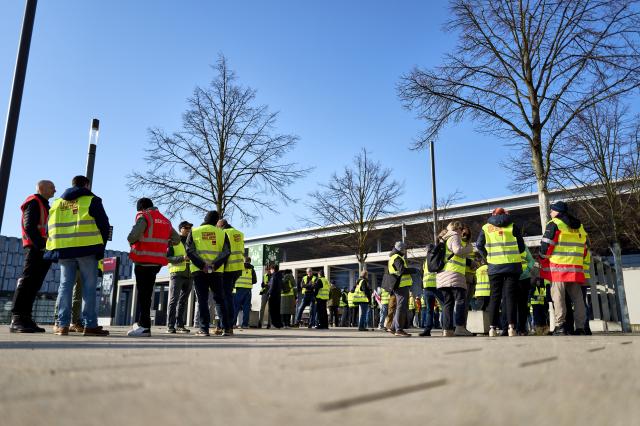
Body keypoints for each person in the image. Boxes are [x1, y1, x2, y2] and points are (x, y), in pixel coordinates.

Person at [46, 175, 110, 336]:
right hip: (87, 248)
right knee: (88, 287)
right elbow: (104, 224)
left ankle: (62, 325)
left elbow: (49, 227)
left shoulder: (57, 203)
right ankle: (90, 325)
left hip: (64, 249)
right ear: (87, 185)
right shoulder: (91, 200)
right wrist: (100, 245)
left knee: (65, 286)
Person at [127, 198, 179, 337]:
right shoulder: (165, 220)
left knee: (143, 295)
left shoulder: (144, 217)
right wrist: (163, 243)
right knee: (147, 294)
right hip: (156, 263)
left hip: (143, 260)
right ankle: (141, 323)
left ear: (142, 208)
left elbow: (132, 237)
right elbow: (176, 239)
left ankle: (144, 327)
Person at [10, 180, 56, 333]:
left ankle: (26, 318)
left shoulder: (44, 205)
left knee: (35, 284)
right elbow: (29, 226)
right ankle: (17, 319)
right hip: (36, 248)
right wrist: (41, 245)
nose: (55, 190)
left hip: (43, 250)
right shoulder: (34, 202)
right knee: (27, 281)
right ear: (42, 188)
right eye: (51, 187)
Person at [539, 201, 588, 336]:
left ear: (557, 212)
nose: (550, 213)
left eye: (552, 210)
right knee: (578, 299)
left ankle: (560, 326)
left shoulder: (554, 224)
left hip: (558, 267)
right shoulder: (579, 226)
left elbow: (546, 246)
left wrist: (542, 258)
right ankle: (580, 328)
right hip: (575, 267)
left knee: (558, 298)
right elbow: (585, 248)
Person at [476, 208, 526, 337]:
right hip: (512, 265)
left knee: (495, 297)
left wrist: (487, 257)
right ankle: (511, 328)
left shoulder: (486, 227)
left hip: (494, 266)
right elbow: (521, 246)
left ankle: (492, 328)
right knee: (510, 297)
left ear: (493, 214)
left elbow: (479, 245)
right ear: (505, 214)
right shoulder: (512, 225)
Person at [186, 211, 230, 336]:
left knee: (203, 300)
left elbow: (189, 250)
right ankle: (227, 329)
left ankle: (204, 329)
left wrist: (202, 265)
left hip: (199, 271)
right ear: (217, 221)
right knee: (219, 300)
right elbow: (226, 252)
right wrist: (214, 265)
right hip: (216, 271)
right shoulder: (222, 233)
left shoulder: (194, 231)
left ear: (205, 218)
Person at [436, 221, 475, 337]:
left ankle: (447, 329)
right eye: (461, 228)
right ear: (457, 228)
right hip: (454, 274)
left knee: (448, 303)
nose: (462, 230)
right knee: (460, 301)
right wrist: (469, 248)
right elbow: (457, 250)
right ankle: (459, 327)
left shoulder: (444, 238)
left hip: (443, 275)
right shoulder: (454, 236)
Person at [217, 219, 245, 335]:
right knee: (229, 296)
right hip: (238, 268)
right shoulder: (239, 233)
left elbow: (222, 250)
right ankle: (228, 325)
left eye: (217, 226)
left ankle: (226, 326)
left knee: (225, 297)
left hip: (228, 268)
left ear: (221, 226)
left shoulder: (224, 233)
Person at [384, 241, 417, 337]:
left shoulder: (394, 257)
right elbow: (402, 270)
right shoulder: (397, 258)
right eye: (404, 249)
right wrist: (413, 270)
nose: (405, 250)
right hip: (401, 286)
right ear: (400, 249)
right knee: (401, 307)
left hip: (399, 285)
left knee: (400, 307)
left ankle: (393, 328)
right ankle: (398, 329)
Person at [166, 220, 193, 334]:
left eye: (190, 228)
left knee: (183, 302)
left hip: (189, 274)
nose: (188, 230)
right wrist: (182, 258)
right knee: (173, 300)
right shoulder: (173, 241)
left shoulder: (192, 242)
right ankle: (170, 326)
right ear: (180, 229)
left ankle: (180, 325)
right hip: (177, 274)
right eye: (186, 228)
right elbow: (167, 257)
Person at [419, 248, 444, 337]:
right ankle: (446, 328)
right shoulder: (439, 258)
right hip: (437, 285)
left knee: (429, 310)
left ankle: (427, 330)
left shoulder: (425, 261)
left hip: (427, 287)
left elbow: (422, 275)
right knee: (444, 306)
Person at [515, 246, 535, 335]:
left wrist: (526, 271)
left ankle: (521, 328)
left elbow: (531, 261)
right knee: (514, 305)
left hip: (523, 279)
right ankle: (515, 328)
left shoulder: (524, 247)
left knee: (522, 305)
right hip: (513, 278)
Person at [233, 256, 257, 329]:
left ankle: (233, 324)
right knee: (246, 308)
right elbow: (255, 281)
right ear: (250, 261)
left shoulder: (239, 267)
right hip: (248, 290)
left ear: (243, 260)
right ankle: (245, 324)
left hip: (238, 289)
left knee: (236, 307)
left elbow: (234, 278)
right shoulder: (252, 269)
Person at [266, 264, 284, 328]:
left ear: (273, 269)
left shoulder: (274, 276)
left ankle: (274, 324)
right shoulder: (280, 276)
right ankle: (279, 324)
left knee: (272, 310)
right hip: (278, 295)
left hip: (273, 295)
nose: (270, 271)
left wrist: (269, 293)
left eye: (270, 269)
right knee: (277, 310)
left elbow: (272, 286)